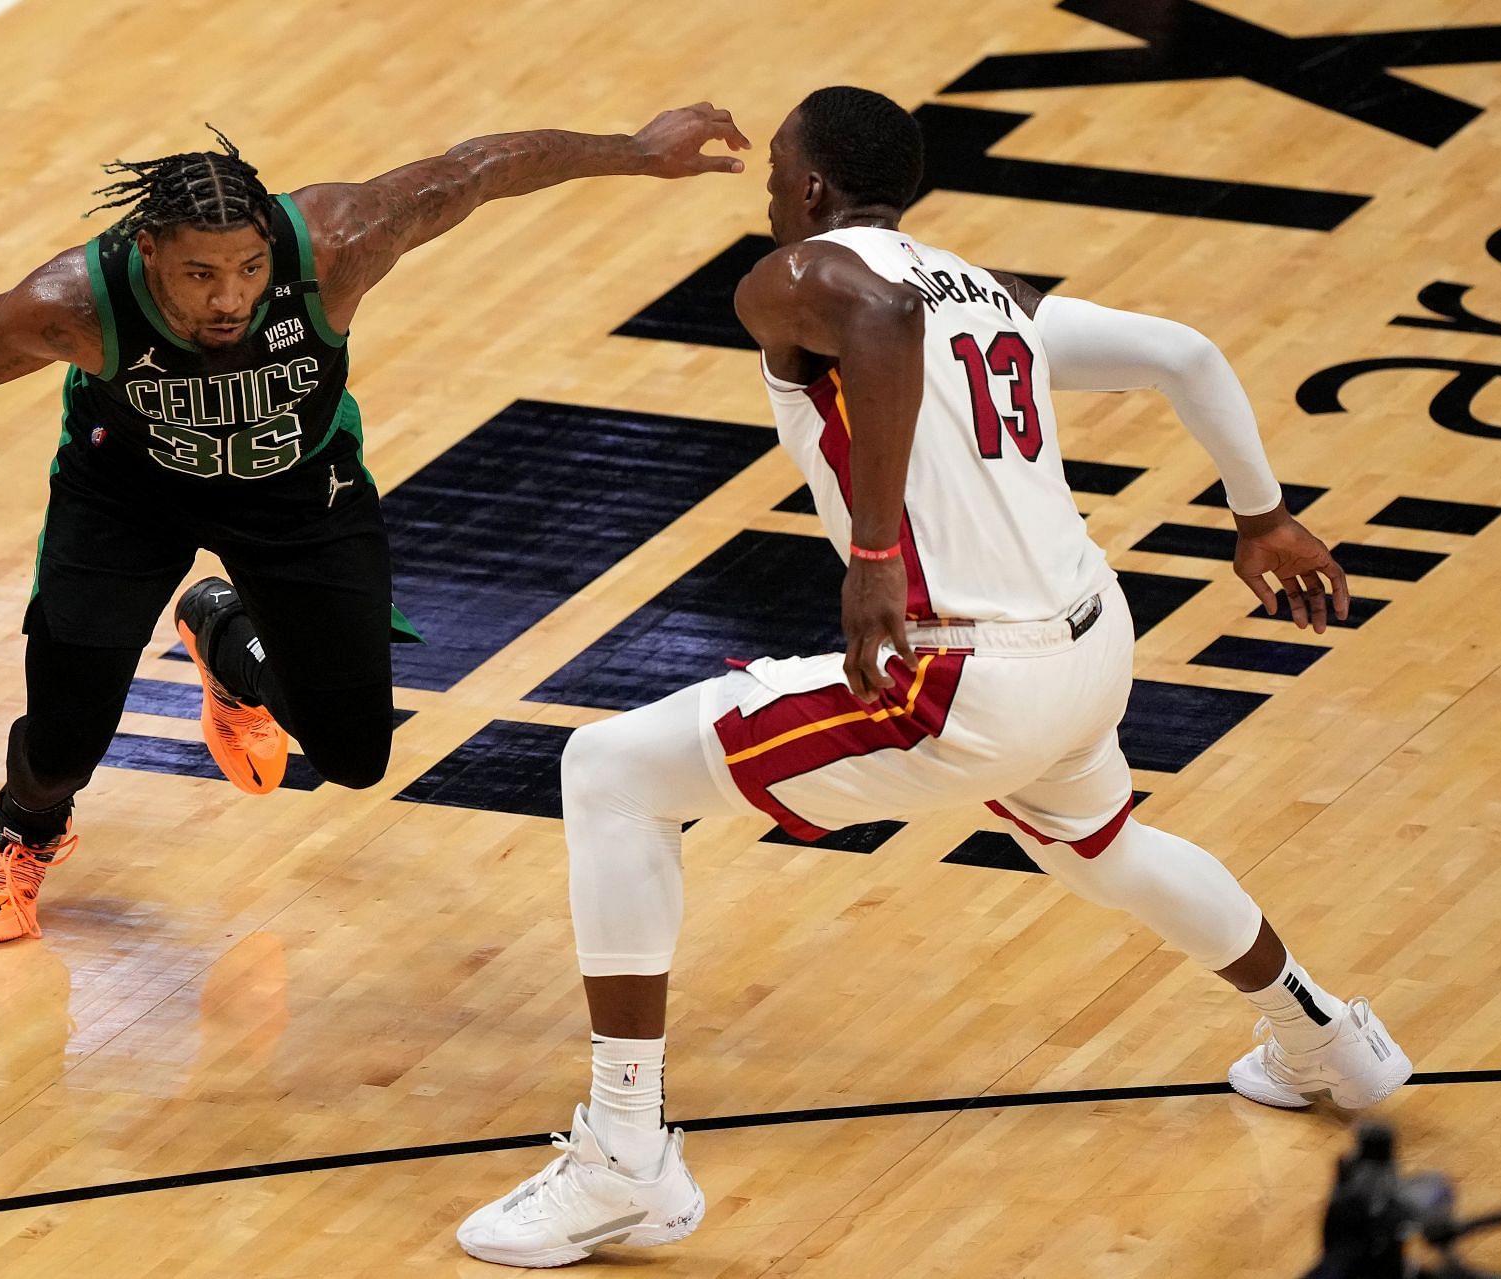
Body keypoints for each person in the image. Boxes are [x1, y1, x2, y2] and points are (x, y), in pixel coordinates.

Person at [457, 86, 1411, 1268]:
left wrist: (870, 558)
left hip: (966, 673)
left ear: (808, 190)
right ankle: (1324, 1038)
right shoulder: (990, 296)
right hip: (1088, 641)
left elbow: (882, 327)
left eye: (777, 183)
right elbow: (1184, 353)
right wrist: (1260, 516)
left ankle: (623, 1162)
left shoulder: (797, 279)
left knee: (607, 772)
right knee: (1105, 847)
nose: (769, 202)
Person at [0, 106, 751, 945]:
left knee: (355, 751)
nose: (229, 296)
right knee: (63, 739)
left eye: (246, 268)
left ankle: (226, 638)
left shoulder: (340, 239)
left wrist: (638, 151)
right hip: (127, 493)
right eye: (200, 274)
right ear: (149, 250)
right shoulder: (76, 301)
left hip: (298, 490)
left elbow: (476, 167)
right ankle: (24, 832)